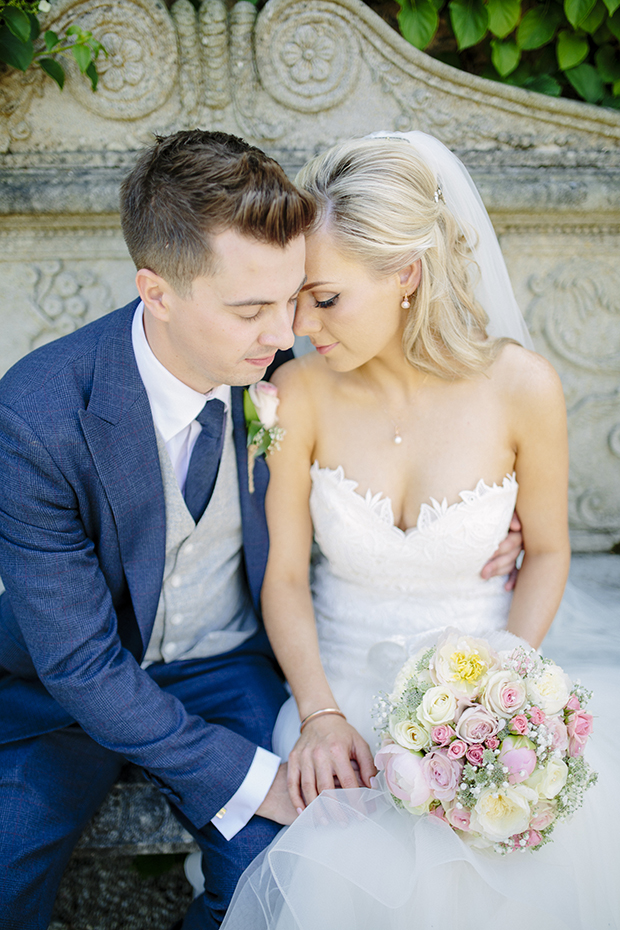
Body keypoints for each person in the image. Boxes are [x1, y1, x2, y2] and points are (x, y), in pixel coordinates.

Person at [0, 129, 520, 930]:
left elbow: (419, 405)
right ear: (158, 292)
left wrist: (485, 510)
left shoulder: (292, 367)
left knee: (273, 884)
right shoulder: (36, 417)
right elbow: (77, 659)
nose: (287, 333)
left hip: (225, 670)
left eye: (294, 296)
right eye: (252, 309)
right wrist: (246, 778)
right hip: (63, 689)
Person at [220, 133, 620, 930]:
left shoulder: (521, 388)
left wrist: (506, 676)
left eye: (324, 298)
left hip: (482, 683)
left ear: (406, 275)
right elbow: (287, 576)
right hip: (333, 690)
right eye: (296, 294)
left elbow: (546, 550)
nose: (298, 323)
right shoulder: (293, 394)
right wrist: (321, 715)